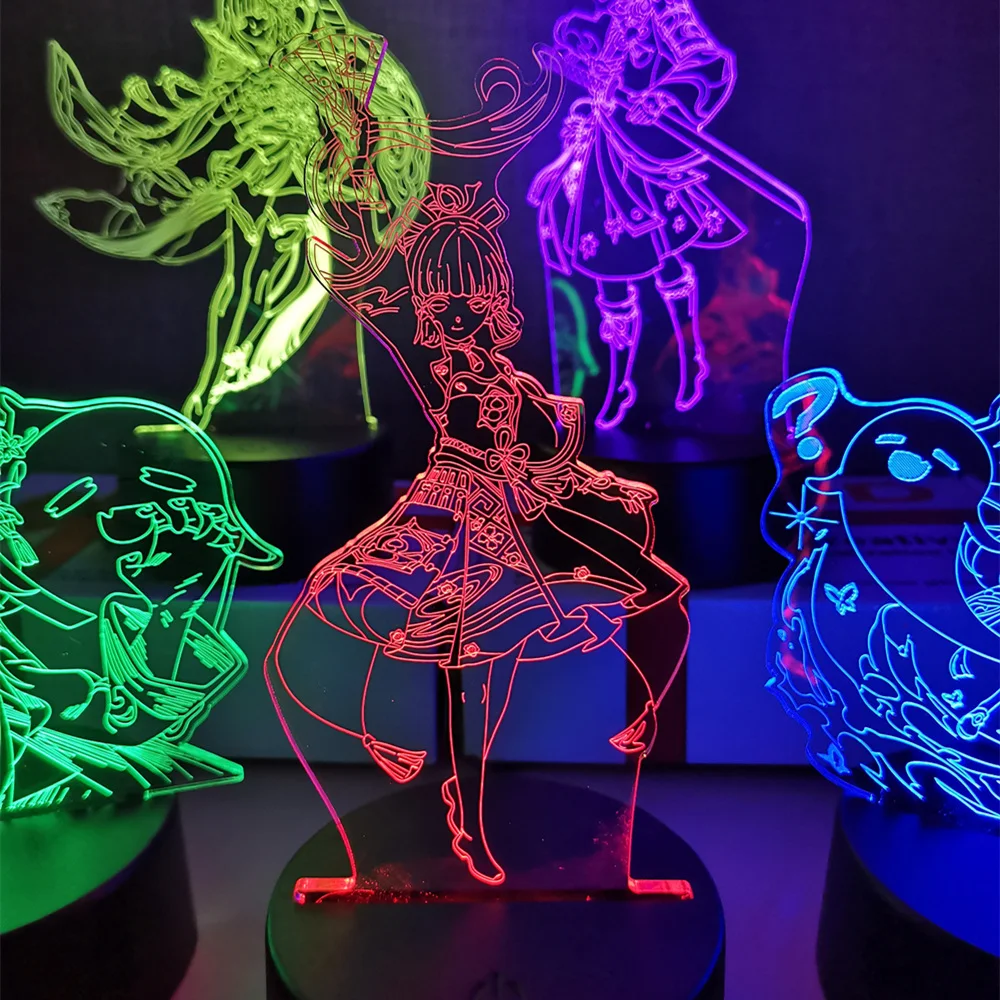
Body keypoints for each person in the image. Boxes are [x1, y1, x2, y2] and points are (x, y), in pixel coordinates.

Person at [265, 52, 691, 888]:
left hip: (524, 530)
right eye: (438, 307)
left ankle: (637, 722)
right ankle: (445, 792)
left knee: (663, 594)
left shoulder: (521, 388)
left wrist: (601, 486)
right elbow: (359, 277)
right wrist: (349, 160)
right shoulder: (436, 374)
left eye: (468, 304)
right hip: (449, 530)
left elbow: (549, 470)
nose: (453, 320)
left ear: (496, 305)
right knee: (436, 661)